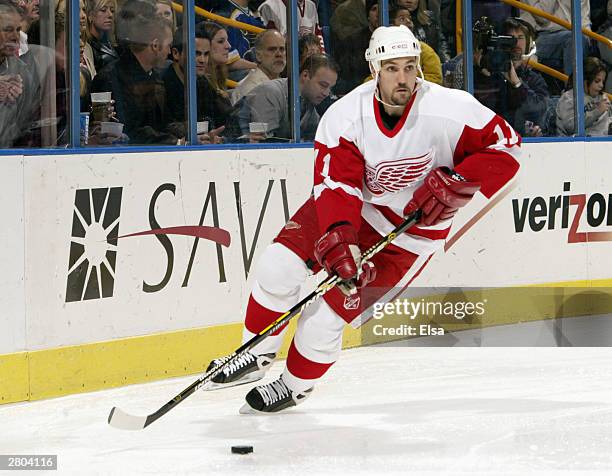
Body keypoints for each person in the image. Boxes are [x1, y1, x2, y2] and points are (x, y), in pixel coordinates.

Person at [205, 25, 521, 414]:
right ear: (375, 70)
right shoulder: (345, 117)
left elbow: (508, 148)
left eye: (409, 67)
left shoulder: (450, 108)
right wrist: (341, 236)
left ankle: (294, 384)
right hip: (360, 209)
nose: (403, 78)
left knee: (325, 316)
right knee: (278, 266)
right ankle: (255, 353)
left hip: (412, 235)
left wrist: (461, 180)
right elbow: (337, 184)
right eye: (392, 68)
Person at [91, 11, 177, 144]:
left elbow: (163, 124)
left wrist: (189, 136)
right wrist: (175, 142)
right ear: (155, 45)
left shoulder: (155, 78)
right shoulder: (110, 79)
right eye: (168, 46)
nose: (169, 52)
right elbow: (129, 132)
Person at [240, 53, 338, 142]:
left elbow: (316, 140)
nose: (326, 93)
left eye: (330, 88)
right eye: (323, 85)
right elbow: (265, 142)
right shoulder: (270, 92)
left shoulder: (309, 105)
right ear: (305, 75)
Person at [0, 0, 39, 147]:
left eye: (18, 30)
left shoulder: (22, 71)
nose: (15, 37)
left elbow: (29, 125)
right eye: (8, 29)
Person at [556, 56, 610, 136]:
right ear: (584, 81)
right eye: (597, 81)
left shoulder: (603, 98)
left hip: (600, 144)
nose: (601, 85)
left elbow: (607, 125)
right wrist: (597, 111)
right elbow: (571, 126)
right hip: (572, 145)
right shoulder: (568, 98)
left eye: (603, 81)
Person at [231, 29, 286, 106]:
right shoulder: (252, 89)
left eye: (282, 49)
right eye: (272, 49)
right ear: (258, 56)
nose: (279, 54)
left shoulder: (283, 83)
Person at [87, 0, 119, 72]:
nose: (110, 15)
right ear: (90, 15)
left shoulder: (110, 43)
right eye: (103, 10)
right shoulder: (87, 47)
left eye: (112, 11)